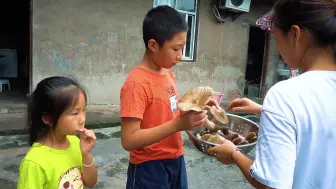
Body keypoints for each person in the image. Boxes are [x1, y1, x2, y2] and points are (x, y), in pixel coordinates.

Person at [208, 0, 336, 188]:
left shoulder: (285, 95)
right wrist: (263, 110)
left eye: (276, 38)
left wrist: (233, 153)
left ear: (295, 34)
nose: (277, 46)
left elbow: (270, 185)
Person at [120, 5, 218, 189]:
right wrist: (178, 125)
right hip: (148, 167)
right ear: (153, 45)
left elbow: (170, 108)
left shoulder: (167, 72)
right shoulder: (136, 84)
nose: (180, 56)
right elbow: (129, 139)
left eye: (183, 48)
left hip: (175, 158)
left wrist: (198, 104)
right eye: (176, 49)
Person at [17, 76, 98, 189]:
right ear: (48, 119)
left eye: (83, 110)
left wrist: (86, 153)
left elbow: (91, 182)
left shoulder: (75, 142)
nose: (82, 119)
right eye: (75, 113)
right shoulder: (34, 163)